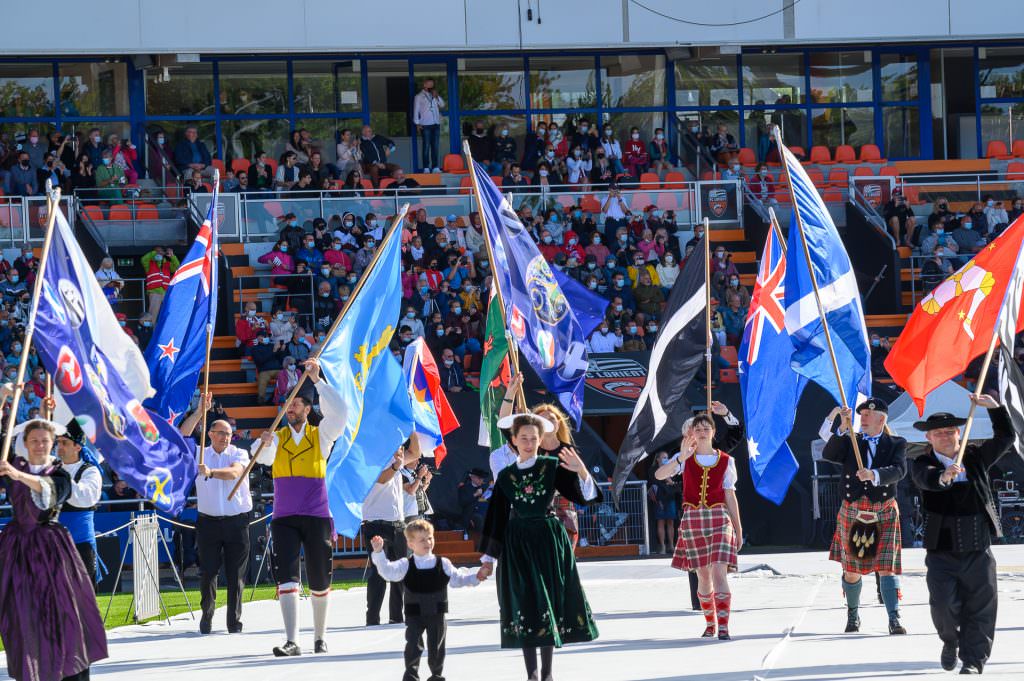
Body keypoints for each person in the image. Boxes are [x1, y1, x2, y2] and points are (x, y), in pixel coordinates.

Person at [478, 414, 600, 681]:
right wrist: (488, 559)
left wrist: (581, 469)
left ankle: (547, 674)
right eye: (524, 438)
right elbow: (496, 517)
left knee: (547, 602)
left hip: (547, 539)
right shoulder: (506, 476)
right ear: (514, 440)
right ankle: (531, 674)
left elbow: (584, 496)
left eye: (534, 438)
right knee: (525, 603)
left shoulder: (551, 466)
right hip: (517, 542)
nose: (530, 442)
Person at [910, 394, 1013, 674]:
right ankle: (949, 640)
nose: (945, 437)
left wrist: (996, 409)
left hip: (978, 547)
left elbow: (1005, 438)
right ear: (929, 438)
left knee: (981, 607)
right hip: (942, 551)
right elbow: (925, 480)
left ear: (959, 433)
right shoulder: (923, 463)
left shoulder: (976, 457)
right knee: (943, 606)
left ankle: (973, 660)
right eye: (938, 433)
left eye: (949, 431)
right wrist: (943, 478)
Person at [0, 418, 108, 680]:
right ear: (24, 443)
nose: (40, 445)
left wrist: (18, 476)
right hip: (17, 551)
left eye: (46, 441)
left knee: (67, 615)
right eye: (34, 440)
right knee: (21, 617)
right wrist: (2, 401)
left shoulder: (59, 474)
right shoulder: (13, 465)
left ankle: (70, 670)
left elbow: (50, 493)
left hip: (52, 549)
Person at [253, 357, 347, 656]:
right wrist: (264, 443)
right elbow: (260, 458)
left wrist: (318, 380)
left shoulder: (320, 436)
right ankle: (292, 640)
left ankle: (320, 637)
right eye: (287, 404)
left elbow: (341, 413)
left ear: (308, 408)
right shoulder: (277, 438)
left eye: (295, 404)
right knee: (287, 577)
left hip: (317, 516)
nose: (289, 407)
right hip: (284, 518)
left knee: (320, 578)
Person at [822, 397, 908, 635]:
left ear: (881, 418)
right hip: (853, 508)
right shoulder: (852, 441)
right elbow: (830, 453)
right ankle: (853, 615)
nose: (864, 419)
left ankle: (894, 618)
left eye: (868, 416)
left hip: (884, 508)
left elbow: (899, 470)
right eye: (861, 416)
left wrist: (873, 474)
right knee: (852, 569)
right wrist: (842, 426)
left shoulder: (896, 443)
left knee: (886, 567)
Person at [654, 413, 743, 640]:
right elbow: (659, 474)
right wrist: (680, 459)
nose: (703, 432)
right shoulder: (684, 458)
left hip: (719, 516)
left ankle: (723, 626)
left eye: (707, 429)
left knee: (719, 572)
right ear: (691, 433)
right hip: (693, 517)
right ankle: (710, 623)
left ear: (713, 433)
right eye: (699, 429)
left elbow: (730, 496)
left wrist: (738, 529)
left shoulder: (726, 461)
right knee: (703, 575)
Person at [370, 519, 484, 681]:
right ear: (410, 544)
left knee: (437, 647)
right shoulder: (406, 565)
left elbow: (458, 579)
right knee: (413, 645)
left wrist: (476, 577)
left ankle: (436, 675)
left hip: (437, 612)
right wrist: (379, 552)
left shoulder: (442, 563)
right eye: (422, 540)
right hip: (414, 613)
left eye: (430, 538)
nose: (427, 542)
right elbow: (388, 572)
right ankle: (411, 674)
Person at [181, 398, 252, 635]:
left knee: (236, 574)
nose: (226, 437)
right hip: (208, 521)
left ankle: (234, 621)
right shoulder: (200, 452)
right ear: (210, 433)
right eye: (221, 433)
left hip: (236, 520)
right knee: (208, 572)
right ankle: (207, 616)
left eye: (229, 433)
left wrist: (210, 472)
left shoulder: (239, 452)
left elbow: (235, 473)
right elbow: (182, 436)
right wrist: (200, 412)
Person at [363, 440, 421, 627]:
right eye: (398, 447)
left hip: (396, 522)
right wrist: (396, 466)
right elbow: (381, 479)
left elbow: (417, 452)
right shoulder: (370, 458)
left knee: (400, 571)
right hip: (374, 522)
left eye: (402, 447)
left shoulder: (398, 460)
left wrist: (412, 426)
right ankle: (372, 618)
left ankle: (396, 616)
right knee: (378, 573)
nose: (401, 450)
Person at [51, 417, 104, 588]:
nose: (60, 447)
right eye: (58, 442)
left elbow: (85, 498)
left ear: (78, 446)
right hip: (54, 542)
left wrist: (62, 477)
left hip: (81, 543)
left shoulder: (90, 471)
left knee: (84, 597)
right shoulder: (52, 468)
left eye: (65, 442)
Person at [413, 79, 445, 173]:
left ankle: (435, 167)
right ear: (424, 84)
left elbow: (442, 105)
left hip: (436, 123)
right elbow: (416, 110)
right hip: (425, 124)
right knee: (426, 146)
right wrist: (417, 123)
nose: (431, 86)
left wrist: (437, 96)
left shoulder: (434, 95)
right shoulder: (419, 96)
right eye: (429, 84)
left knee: (435, 146)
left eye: (432, 84)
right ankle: (426, 167)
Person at [141, 246, 180, 318]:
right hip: (154, 292)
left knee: (168, 313)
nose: (159, 253)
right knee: (153, 315)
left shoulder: (167, 264)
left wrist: (172, 256)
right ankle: (151, 329)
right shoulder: (149, 264)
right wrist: (155, 253)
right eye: (157, 251)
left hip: (166, 292)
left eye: (161, 251)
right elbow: (143, 259)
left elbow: (178, 267)